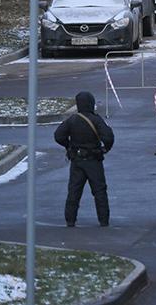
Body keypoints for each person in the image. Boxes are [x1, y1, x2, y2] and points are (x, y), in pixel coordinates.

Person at [54, 91, 115, 228]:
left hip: (77, 160)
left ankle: (70, 220)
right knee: (99, 191)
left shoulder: (72, 120)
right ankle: (103, 220)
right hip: (94, 160)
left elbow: (58, 136)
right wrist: (105, 149)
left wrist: (69, 146)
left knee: (74, 191)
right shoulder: (96, 120)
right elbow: (108, 137)